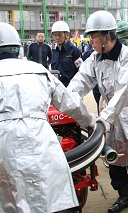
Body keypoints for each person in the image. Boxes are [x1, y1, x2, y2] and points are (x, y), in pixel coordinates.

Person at [0, 22, 96, 213]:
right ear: (18, 48)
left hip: (4, 145)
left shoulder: (71, 51)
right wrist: (92, 123)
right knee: (47, 194)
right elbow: (71, 104)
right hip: (41, 138)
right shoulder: (38, 70)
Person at [67, 10, 128, 213]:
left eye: (93, 37)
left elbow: (124, 91)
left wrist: (103, 120)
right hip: (110, 115)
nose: (91, 42)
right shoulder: (95, 59)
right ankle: (123, 195)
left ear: (107, 36)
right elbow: (80, 81)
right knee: (113, 158)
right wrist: (65, 97)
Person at [50, 21, 83, 86]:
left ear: (67, 35)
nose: (57, 37)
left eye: (60, 35)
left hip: (71, 89)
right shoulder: (54, 52)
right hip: (57, 88)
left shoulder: (74, 51)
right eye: (55, 35)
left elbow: (81, 71)